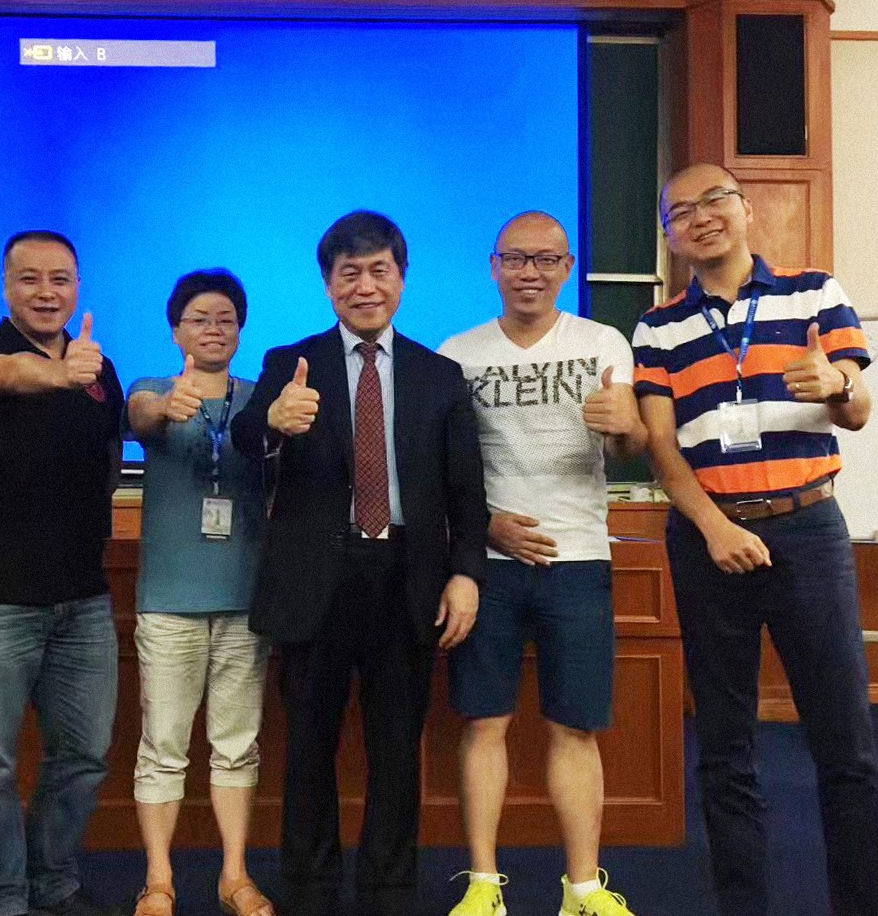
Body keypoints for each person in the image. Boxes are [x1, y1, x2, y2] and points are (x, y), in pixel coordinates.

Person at [633, 163, 878, 916]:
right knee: (725, 748)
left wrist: (837, 384)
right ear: (671, 236)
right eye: (681, 211)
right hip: (706, 540)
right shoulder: (658, 327)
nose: (701, 217)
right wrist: (713, 527)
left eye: (715, 200)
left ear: (745, 209)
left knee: (847, 744)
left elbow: (857, 411)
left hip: (808, 529)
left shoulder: (815, 293)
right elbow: (661, 446)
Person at [232, 210, 488, 916]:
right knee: (308, 748)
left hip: (409, 578)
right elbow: (247, 438)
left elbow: (467, 491)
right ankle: (310, 891)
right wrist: (272, 422)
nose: (365, 286)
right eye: (349, 273)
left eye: (379, 270)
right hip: (316, 579)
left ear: (402, 279)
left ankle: (388, 891)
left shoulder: (440, 376)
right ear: (328, 284)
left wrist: (467, 573)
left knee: (398, 750)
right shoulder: (291, 362)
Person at [438, 212, 644, 916]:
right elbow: (440, 471)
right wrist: (486, 524)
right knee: (483, 722)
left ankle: (582, 887)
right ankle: (483, 884)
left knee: (574, 727)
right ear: (494, 266)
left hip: (578, 558)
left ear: (567, 267)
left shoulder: (602, 341)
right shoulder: (457, 354)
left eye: (547, 260)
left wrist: (627, 429)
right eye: (517, 259)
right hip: (487, 567)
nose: (531, 272)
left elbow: (627, 448)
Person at [0, 230, 125, 916]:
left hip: (83, 599)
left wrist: (79, 374)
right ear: (6, 286)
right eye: (30, 279)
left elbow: (108, 464)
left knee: (84, 755)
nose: (46, 292)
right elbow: (0, 376)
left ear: (77, 286)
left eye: (60, 279)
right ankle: (1, 898)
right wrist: (57, 375)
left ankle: (52, 883)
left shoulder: (100, 370)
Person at [125, 269, 273, 916]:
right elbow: (141, 417)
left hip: (245, 599)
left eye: (225, 319)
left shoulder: (261, 399)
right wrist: (166, 409)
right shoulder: (152, 388)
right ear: (175, 330)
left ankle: (234, 875)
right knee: (163, 746)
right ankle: (158, 880)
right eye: (198, 319)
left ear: (240, 330)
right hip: (168, 602)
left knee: (237, 744)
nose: (213, 329)